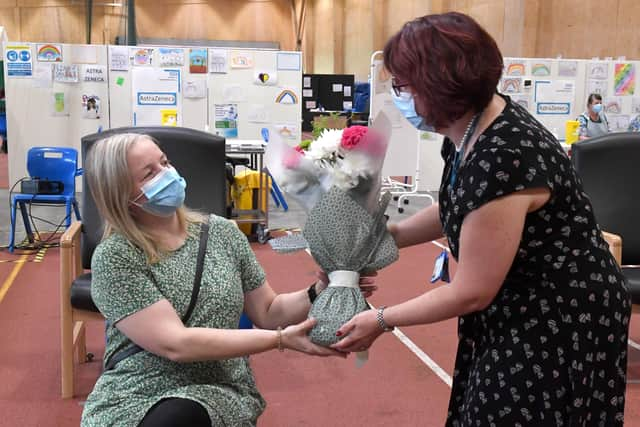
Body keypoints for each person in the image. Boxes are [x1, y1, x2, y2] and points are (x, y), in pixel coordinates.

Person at [332, 12, 630, 426]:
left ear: (440, 85)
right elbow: (461, 203)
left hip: (560, 315)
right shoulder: (469, 129)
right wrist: (390, 236)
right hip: (516, 302)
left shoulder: (504, 153)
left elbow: (471, 291)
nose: (399, 97)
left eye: (404, 86)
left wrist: (381, 319)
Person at [80, 133, 376, 427]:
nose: (167, 174)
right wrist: (280, 340)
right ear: (121, 194)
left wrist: (320, 289)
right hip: (140, 389)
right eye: (149, 174)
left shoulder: (223, 233)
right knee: (175, 418)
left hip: (219, 384)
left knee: (183, 416)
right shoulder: (115, 257)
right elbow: (175, 344)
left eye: (165, 162)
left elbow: (269, 312)